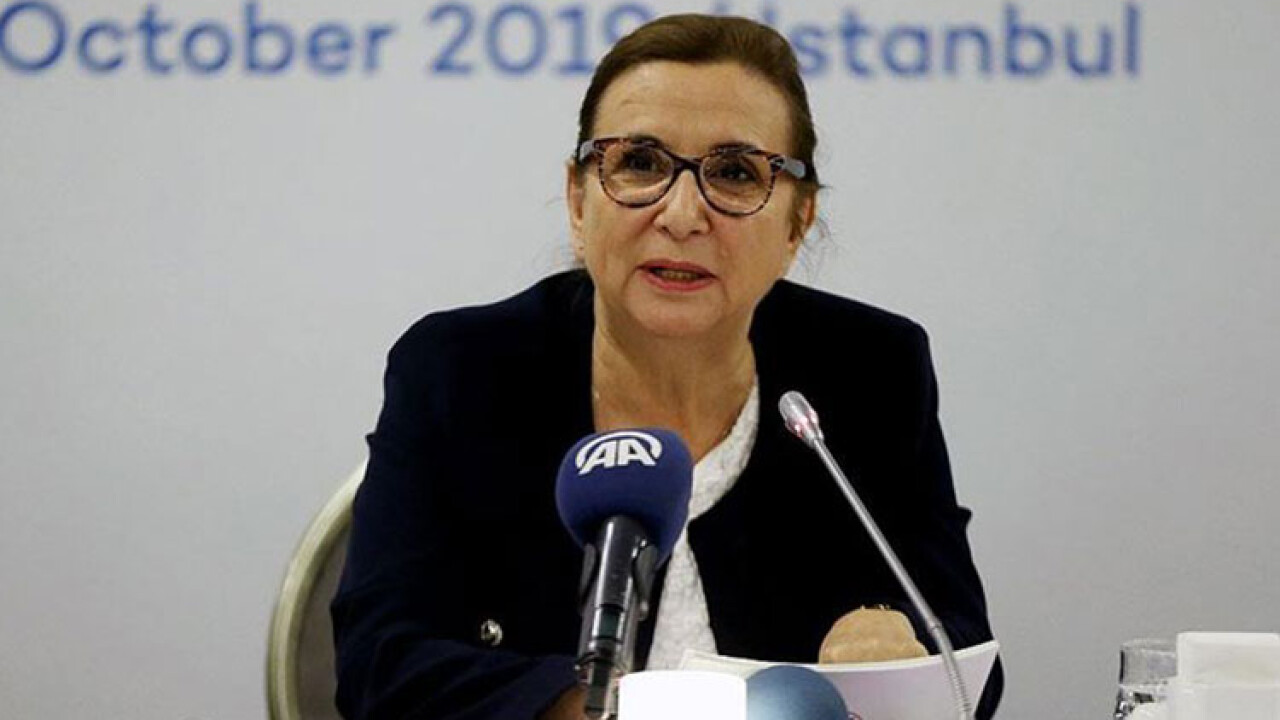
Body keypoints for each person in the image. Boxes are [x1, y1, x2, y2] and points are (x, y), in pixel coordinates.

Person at [331, 13, 1002, 720]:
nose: (682, 215)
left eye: (735, 173)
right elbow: (378, 665)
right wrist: (597, 708)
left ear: (797, 224)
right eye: (641, 164)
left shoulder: (870, 372)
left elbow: (969, 665)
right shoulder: (460, 371)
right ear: (578, 202)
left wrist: (901, 645)